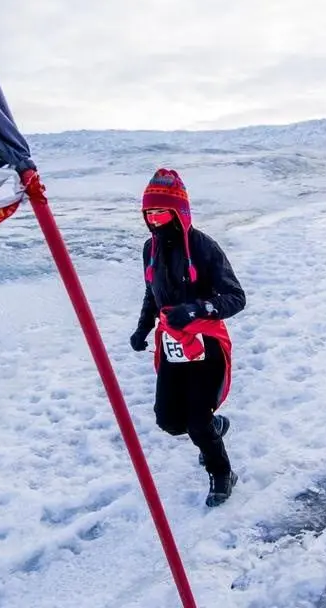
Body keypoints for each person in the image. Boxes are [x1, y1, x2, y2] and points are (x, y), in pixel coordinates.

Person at [129, 168, 246, 507]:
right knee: (168, 419)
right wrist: (143, 327)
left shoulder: (204, 246)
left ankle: (222, 472)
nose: (153, 218)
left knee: (196, 420)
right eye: (148, 212)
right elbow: (153, 293)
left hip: (204, 344)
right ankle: (213, 427)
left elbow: (235, 297)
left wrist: (195, 310)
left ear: (178, 212)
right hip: (171, 344)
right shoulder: (149, 249)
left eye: (160, 211)